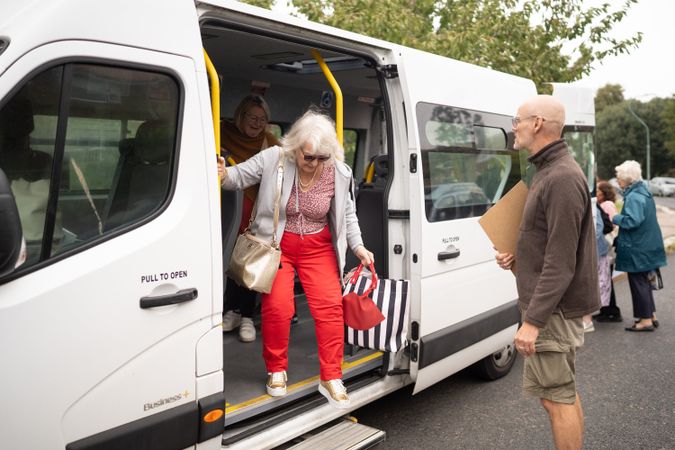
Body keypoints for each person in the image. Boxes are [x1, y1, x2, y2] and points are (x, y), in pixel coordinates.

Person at [217, 109, 374, 409]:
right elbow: (235, 179)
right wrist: (222, 172)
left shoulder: (339, 172)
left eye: (322, 158)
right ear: (295, 147)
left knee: (330, 307)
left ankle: (331, 376)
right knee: (278, 308)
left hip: (319, 246)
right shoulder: (273, 158)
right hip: (278, 245)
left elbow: (348, 214)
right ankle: (276, 370)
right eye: (309, 156)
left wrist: (359, 247)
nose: (315, 163)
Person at [495, 95, 600, 450]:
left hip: (551, 312)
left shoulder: (560, 177)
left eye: (517, 120)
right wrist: (518, 260)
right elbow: (548, 246)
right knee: (559, 394)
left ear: (537, 123)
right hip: (551, 307)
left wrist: (533, 321)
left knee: (556, 399)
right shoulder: (549, 171)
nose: (514, 127)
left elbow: (561, 261)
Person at [221, 94, 280, 343]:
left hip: (256, 208)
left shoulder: (270, 144)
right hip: (224, 203)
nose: (257, 123)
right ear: (240, 116)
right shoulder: (221, 132)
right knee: (227, 260)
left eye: (263, 119)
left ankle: (245, 315)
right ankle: (230, 311)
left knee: (248, 259)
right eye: (252, 117)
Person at [611, 160, 666, 332]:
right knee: (645, 282)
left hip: (638, 248)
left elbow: (632, 221)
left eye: (619, 177)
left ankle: (645, 320)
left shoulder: (634, 197)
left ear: (627, 178)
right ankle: (650, 314)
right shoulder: (644, 192)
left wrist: (615, 217)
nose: (617, 179)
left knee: (639, 283)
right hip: (647, 245)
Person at [593, 180, 622, 322]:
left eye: (598, 191)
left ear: (604, 193)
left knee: (605, 279)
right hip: (605, 245)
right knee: (604, 279)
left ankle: (612, 311)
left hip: (606, 245)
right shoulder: (600, 204)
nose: (596, 193)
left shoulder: (606, 205)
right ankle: (607, 310)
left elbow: (609, 225)